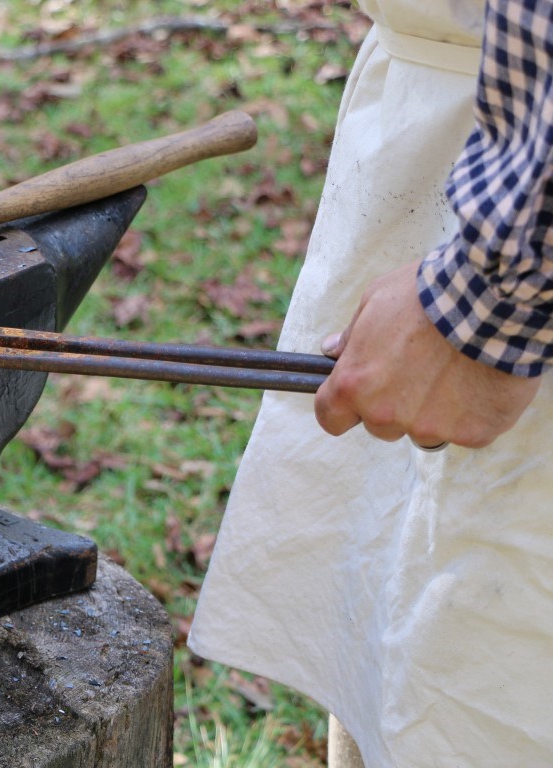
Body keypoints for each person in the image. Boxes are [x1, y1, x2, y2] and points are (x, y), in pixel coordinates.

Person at [188, 0, 553, 765]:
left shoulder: (500, 282)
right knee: (386, 672)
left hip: (515, 232)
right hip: (443, 147)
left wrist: (491, 297)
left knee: (486, 701)